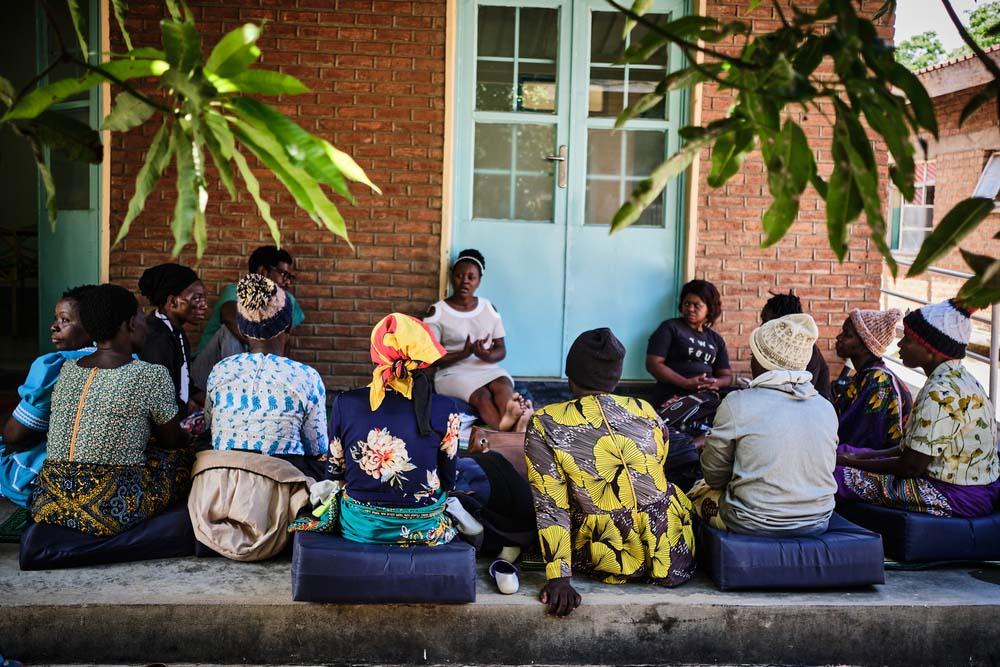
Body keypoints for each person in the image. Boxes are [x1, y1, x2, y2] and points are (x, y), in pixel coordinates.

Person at [525, 328, 696, 617]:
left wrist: (559, 577)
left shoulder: (546, 422)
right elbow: (658, 463)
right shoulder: (645, 409)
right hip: (671, 553)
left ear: (570, 374)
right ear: (616, 377)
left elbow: (550, 505)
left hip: (607, 556)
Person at [29, 284, 191, 537]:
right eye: (140, 317)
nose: (146, 325)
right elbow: (172, 441)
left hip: (49, 499)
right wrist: (191, 439)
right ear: (129, 324)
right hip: (109, 507)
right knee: (185, 459)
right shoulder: (150, 374)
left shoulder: (68, 369)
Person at [835, 300, 1000, 517]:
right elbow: (911, 451)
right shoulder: (963, 379)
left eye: (908, 340)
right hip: (974, 489)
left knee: (833, 476)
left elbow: (910, 467)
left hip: (953, 494)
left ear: (930, 350)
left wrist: (850, 464)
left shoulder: (940, 393)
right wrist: (853, 458)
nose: (900, 346)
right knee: (846, 454)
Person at [688, 314, 839, 536]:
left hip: (751, 521)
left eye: (753, 354)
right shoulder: (826, 408)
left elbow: (714, 477)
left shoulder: (737, 404)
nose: (750, 360)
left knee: (695, 493)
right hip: (817, 520)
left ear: (764, 361)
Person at [327, 313, 461, 546]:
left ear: (376, 353)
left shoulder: (344, 403)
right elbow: (448, 481)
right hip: (422, 527)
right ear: (422, 358)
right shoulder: (445, 408)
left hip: (360, 527)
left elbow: (334, 471)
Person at [204, 273, 329, 479]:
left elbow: (210, 427)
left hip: (221, 482)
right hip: (280, 486)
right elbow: (317, 447)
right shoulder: (306, 376)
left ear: (243, 331)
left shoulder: (220, 370)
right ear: (288, 326)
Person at [0, 286, 97, 508]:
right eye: (56, 319)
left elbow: (14, 435)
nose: (54, 326)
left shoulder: (55, 367)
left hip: (61, 479)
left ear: (94, 326)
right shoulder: (131, 359)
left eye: (65, 320)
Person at [425, 249, 514, 430]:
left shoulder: (489, 309)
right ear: (452, 277)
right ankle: (505, 432)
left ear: (479, 281)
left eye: (471, 277)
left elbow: (501, 349)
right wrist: (463, 354)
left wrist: (486, 355)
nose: (465, 281)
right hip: (452, 372)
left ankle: (509, 426)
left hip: (486, 367)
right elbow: (430, 358)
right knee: (482, 395)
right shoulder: (437, 312)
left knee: (503, 385)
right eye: (459, 276)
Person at [193, 246, 306, 388]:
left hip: (256, 377)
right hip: (206, 376)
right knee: (229, 332)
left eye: (290, 277)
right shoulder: (236, 291)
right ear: (262, 271)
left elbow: (284, 343)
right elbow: (230, 317)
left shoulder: (287, 300)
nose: (287, 282)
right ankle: (237, 391)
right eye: (284, 274)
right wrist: (260, 348)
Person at [646, 279, 733, 423]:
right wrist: (685, 383)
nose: (690, 309)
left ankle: (696, 442)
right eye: (687, 304)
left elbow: (726, 376)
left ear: (709, 309)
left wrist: (715, 382)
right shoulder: (670, 328)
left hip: (707, 397)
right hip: (674, 397)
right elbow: (654, 364)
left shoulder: (716, 339)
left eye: (697, 305)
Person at [832, 308, 912, 451]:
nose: (839, 337)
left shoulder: (879, 382)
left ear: (865, 345)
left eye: (847, 334)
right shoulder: (866, 375)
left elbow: (856, 440)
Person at [138, 263, 208, 417]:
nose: (204, 305)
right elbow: (160, 399)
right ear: (172, 302)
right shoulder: (156, 337)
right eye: (196, 299)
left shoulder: (176, 332)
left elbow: (186, 385)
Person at [761, 290, 831, 400]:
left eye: (766, 321)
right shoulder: (782, 350)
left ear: (784, 322)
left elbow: (797, 395)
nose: (761, 326)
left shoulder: (806, 353)